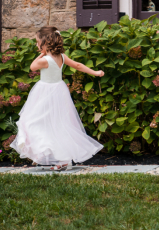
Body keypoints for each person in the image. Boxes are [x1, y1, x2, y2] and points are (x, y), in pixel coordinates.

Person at [12, 26, 104, 170]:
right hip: (59, 91)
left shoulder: (45, 60)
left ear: (45, 43)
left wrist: (40, 55)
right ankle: (63, 159)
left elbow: (32, 67)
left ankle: (45, 151)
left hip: (45, 93)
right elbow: (78, 66)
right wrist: (96, 72)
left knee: (33, 122)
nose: (36, 45)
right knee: (58, 124)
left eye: (38, 43)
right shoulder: (61, 57)